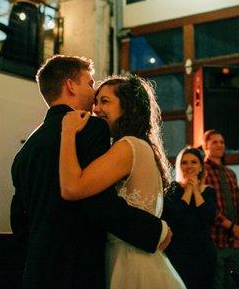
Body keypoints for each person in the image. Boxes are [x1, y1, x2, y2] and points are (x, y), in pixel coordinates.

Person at [10, 55, 171, 289]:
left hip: (38, 271)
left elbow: (19, 220)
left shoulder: (26, 150)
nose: (93, 94)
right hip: (79, 269)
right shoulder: (91, 129)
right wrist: (154, 231)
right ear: (70, 85)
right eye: (89, 83)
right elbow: (99, 203)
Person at [59, 74, 185, 288]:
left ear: (129, 108)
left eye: (105, 101)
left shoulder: (128, 146)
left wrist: (68, 133)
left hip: (129, 262)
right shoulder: (142, 146)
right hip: (140, 256)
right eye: (96, 101)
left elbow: (72, 187)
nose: (96, 109)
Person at [163, 147, 216, 289]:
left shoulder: (209, 191)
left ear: (200, 167)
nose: (189, 166)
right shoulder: (171, 189)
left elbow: (208, 217)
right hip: (178, 251)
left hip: (203, 251)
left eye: (194, 162)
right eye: (184, 162)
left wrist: (196, 190)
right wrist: (188, 190)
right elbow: (175, 216)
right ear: (179, 166)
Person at [202, 129, 239, 289]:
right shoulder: (202, 172)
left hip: (234, 242)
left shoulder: (230, 173)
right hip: (214, 240)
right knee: (216, 285)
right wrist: (232, 227)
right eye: (215, 142)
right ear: (205, 146)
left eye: (222, 142)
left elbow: (238, 204)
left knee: (232, 285)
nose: (220, 145)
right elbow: (207, 207)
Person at [1, 0, 46, 64]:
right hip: (18, 8)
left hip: (31, 10)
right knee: (16, 32)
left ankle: (28, 60)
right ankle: (13, 58)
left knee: (30, 34)